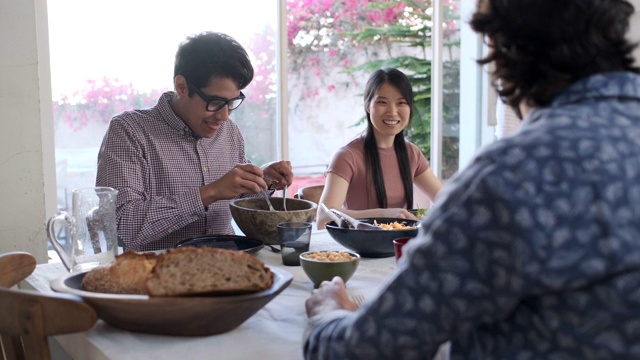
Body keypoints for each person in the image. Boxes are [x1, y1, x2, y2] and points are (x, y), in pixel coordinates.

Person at [304, 0, 640, 358]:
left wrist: (329, 312)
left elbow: (364, 349)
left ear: (502, 55)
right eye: (383, 102)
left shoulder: (508, 177)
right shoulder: (351, 153)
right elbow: (329, 212)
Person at [96, 32, 293, 251]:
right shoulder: (129, 131)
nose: (224, 116)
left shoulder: (229, 133)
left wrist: (263, 178)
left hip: (230, 268)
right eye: (216, 102)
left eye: (232, 102)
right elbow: (121, 225)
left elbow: (238, 196)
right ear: (182, 86)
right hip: (158, 274)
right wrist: (210, 193)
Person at [316, 68, 442, 229]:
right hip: (361, 249)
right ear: (368, 106)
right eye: (382, 102)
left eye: (401, 103)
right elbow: (323, 218)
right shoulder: (347, 156)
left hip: (401, 245)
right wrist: (383, 214)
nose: (392, 112)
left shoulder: (412, 153)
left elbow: (446, 200)